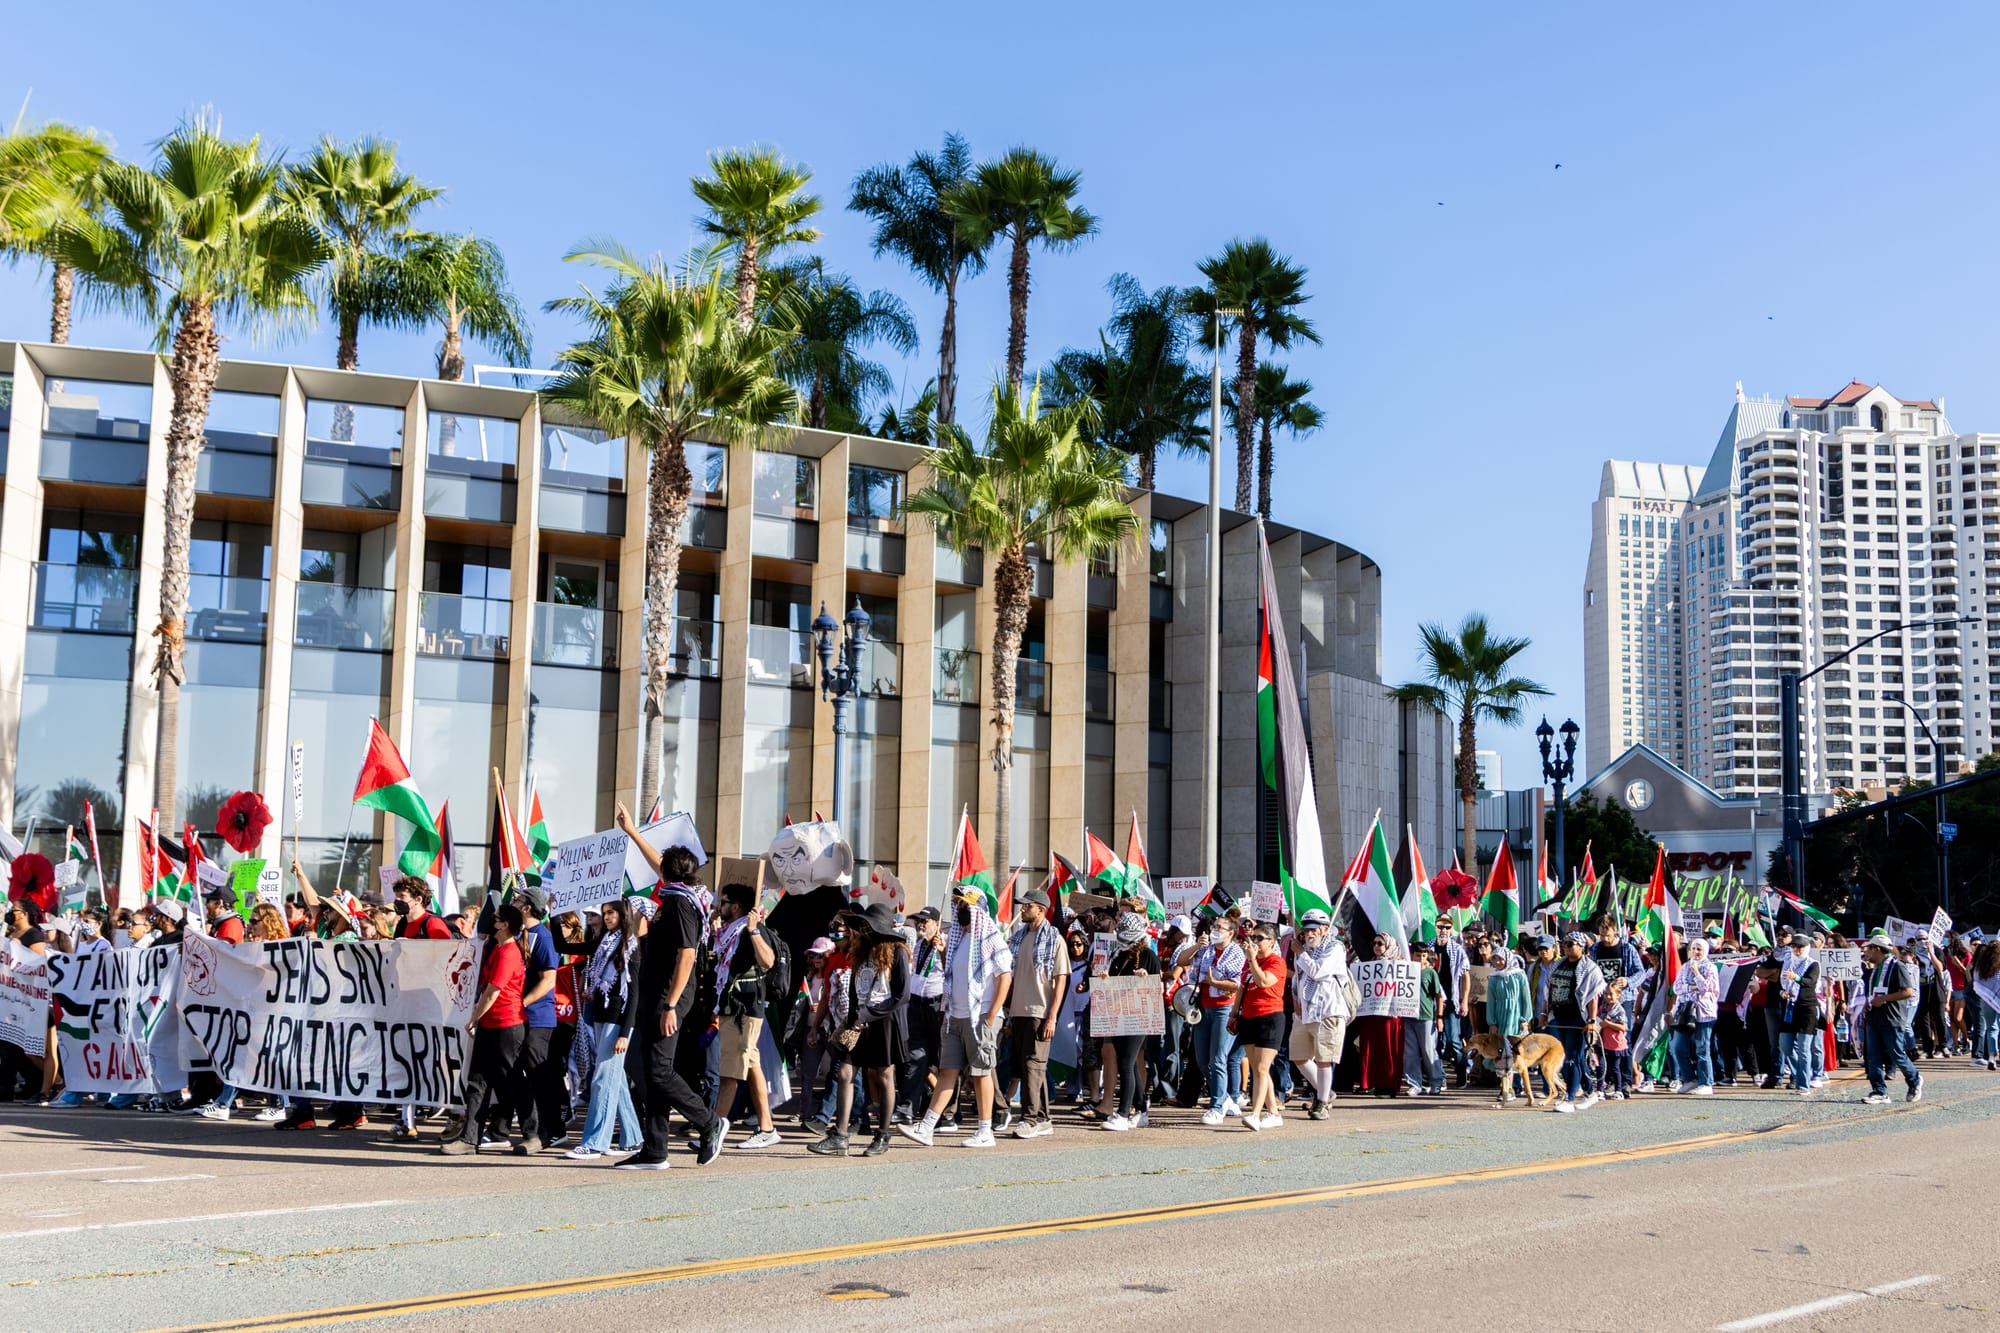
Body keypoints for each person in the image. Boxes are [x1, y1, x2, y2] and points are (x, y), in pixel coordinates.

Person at [613, 801, 724, 1170]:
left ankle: (710, 1123)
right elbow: (657, 862)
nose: (657, 868)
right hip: (656, 995)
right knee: (649, 1071)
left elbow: (687, 956)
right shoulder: (676, 893)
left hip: (668, 998)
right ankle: (655, 1149)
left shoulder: (679, 905)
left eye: (663, 866)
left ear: (671, 873)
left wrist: (671, 1005)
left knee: (660, 1070)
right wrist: (631, 831)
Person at [898, 886, 1012, 1150]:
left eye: (964, 906)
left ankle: (985, 1131)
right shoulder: (959, 940)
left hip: (979, 1016)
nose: (959, 910)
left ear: (976, 909)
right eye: (957, 905)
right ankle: (927, 1127)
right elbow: (952, 972)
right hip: (955, 1015)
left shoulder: (991, 939)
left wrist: (992, 1015)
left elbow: (1005, 977)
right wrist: (940, 951)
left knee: (981, 1073)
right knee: (948, 1070)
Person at [810, 903, 910, 1157]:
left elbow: (901, 995)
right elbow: (855, 989)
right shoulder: (860, 952)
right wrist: (851, 1017)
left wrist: (867, 1014)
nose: (863, 930)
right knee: (845, 1073)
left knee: (884, 1076)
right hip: (858, 1021)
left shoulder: (897, 952)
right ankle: (840, 1135)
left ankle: (883, 1135)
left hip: (884, 1022)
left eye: (868, 925)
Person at [442, 904, 528, 1155]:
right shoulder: (498, 948)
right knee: (477, 1081)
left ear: (504, 925)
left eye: (496, 918)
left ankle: (534, 1133)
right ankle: (470, 1139)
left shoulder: (509, 953)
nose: (491, 921)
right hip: (490, 1024)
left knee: (513, 1081)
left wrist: (474, 1018)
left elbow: (493, 992)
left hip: (506, 1024)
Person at [565, 897, 646, 1160]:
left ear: (623, 915)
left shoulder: (630, 946)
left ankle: (595, 1143)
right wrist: (555, 912)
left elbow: (634, 994)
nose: (607, 917)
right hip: (601, 1015)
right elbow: (563, 944)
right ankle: (633, 1137)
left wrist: (625, 1033)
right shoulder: (604, 942)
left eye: (611, 913)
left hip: (616, 1020)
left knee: (602, 1079)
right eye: (605, 913)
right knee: (615, 1079)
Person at [711, 881, 781, 1151]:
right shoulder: (728, 931)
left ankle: (714, 1129)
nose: (720, 906)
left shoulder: (750, 929)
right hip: (732, 1006)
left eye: (724, 902)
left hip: (745, 1008)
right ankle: (767, 1127)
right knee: (751, 1066)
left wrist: (753, 931)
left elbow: (768, 960)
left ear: (736, 906)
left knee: (731, 1070)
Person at [1084, 911, 1160, 1132]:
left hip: (1139, 1016)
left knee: (1126, 1061)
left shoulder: (1148, 956)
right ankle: (1141, 1108)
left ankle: (1123, 1113)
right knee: (1128, 1063)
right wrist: (1106, 980)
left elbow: (1157, 988)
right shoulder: (1118, 955)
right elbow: (1114, 983)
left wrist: (1146, 978)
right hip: (1118, 1015)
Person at [1003, 884, 1068, 1139]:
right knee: (1028, 1065)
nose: (1023, 909)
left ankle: (1029, 1119)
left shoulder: (1054, 939)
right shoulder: (1019, 937)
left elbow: (1061, 979)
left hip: (1039, 1010)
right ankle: (1042, 1118)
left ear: (1040, 910)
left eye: (1027, 905)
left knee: (1033, 1064)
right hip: (1019, 1011)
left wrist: (1052, 1016)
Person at [1287, 908, 1349, 1118]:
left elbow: (1318, 971)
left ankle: (1321, 1102)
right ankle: (1326, 1091)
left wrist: (1301, 953)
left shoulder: (1335, 948)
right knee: (1298, 1056)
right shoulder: (1304, 949)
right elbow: (1299, 977)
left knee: (1324, 1058)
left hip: (1328, 1011)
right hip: (1305, 1011)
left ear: (1324, 929)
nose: (1309, 934)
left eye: (1314, 930)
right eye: (1306, 930)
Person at [1188, 913, 1246, 1122]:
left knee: (1218, 1058)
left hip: (1224, 1009)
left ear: (1230, 933)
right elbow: (1182, 961)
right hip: (1203, 1008)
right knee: (1203, 1059)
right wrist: (1196, 946)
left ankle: (1217, 1106)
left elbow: (1236, 984)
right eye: (1214, 926)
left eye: (1220, 927)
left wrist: (1214, 983)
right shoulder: (1205, 951)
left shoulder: (1236, 953)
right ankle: (1225, 1097)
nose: (1215, 930)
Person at [1541, 932, 1606, 1112]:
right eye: (1564, 943)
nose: (1566, 947)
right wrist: (1544, 1012)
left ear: (1581, 946)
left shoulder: (1589, 968)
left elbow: (1593, 996)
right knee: (1568, 1058)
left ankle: (1569, 1098)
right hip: (1558, 1016)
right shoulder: (1558, 965)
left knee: (1572, 1057)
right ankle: (1590, 1092)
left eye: (1570, 944)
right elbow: (1549, 990)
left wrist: (1592, 1020)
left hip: (1578, 1017)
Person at [1234, 923, 1289, 1129]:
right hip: (1249, 1016)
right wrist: (1234, 1013)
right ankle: (1273, 1112)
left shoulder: (1276, 962)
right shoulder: (1249, 963)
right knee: (1259, 1069)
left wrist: (1252, 960)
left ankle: (1255, 1114)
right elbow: (1242, 988)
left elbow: (1263, 981)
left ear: (1271, 942)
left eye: (1259, 938)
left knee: (1261, 1067)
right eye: (1253, 937)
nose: (1254, 941)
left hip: (1270, 1017)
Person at [1860, 932, 1923, 1105]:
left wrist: (1883, 999)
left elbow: (1908, 991)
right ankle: (1879, 1091)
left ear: (1878, 949)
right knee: (1873, 1057)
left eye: (1869, 948)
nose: (1867, 952)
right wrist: (1869, 1002)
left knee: (1897, 1054)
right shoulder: (1873, 970)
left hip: (1892, 1018)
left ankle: (1914, 1080)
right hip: (1874, 1017)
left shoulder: (1897, 966)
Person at [898, 906, 945, 1123]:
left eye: (925, 921)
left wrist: (943, 951)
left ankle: (945, 1109)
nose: (921, 924)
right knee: (915, 1057)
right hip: (916, 1004)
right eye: (919, 921)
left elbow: (951, 971)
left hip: (936, 1005)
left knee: (938, 1060)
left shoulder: (944, 944)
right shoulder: (918, 945)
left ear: (936, 923)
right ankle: (907, 1108)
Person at [1346, 934, 1404, 1097]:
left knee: (1387, 1050)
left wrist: (1396, 1008)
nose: (1377, 946)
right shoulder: (1369, 966)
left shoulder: (1398, 965)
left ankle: (1387, 1085)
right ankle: (1369, 1082)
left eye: (1381, 943)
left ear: (1389, 946)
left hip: (1390, 1016)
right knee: (1369, 1049)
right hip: (1371, 1014)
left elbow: (1402, 991)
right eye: (1374, 943)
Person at [1670, 936, 1722, 1096]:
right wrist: (1692, 986)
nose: (1695, 952)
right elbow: (1677, 988)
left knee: (1702, 1047)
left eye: (1699, 949)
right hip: (1685, 1011)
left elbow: (1707, 987)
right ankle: (1689, 1079)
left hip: (1703, 1011)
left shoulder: (1710, 967)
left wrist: (1697, 973)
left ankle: (1706, 1082)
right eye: (1693, 949)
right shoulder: (1685, 966)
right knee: (1678, 1046)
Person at [1484, 945, 1533, 1100]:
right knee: (1501, 1053)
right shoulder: (1493, 978)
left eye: (1500, 959)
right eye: (1495, 959)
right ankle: (1504, 1087)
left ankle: (1512, 1087)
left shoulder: (1519, 975)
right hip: (1500, 1018)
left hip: (1516, 1017)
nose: (1498, 962)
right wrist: (1492, 1022)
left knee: (1514, 1053)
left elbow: (1525, 998)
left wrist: (1525, 1019)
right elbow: (1491, 1001)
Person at [1777, 932, 1822, 1095]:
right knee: (1785, 1044)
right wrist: (1782, 992)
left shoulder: (1813, 964)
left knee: (1804, 1047)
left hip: (1806, 1008)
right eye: (1794, 946)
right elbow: (1782, 984)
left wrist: (1796, 977)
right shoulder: (1788, 962)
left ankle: (1803, 1084)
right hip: (1790, 1008)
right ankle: (1803, 1072)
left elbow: (1810, 982)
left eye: (1800, 947)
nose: (1796, 950)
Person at [1403, 941, 1446, 1096]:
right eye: (1418, 955)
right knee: (1410, 1052)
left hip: (1426, 1017)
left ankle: (1436, 1081)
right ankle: (1414, 1083)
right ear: (1412, 955)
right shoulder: (1405, 970)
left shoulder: (1430, 972)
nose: (1421, 959)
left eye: (1423, 956)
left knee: (1429, 1051)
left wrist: (1439, 1017)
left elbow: (1439, 996)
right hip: (1408, 1016)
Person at [1434, 917, 1470, 1087]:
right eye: (1440, 926)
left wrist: (1464, 1002)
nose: (1443, 930)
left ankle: (1462, 1073)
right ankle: (1439, 1077)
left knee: (1454, 1040)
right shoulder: (1428, 947)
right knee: (1436, 1042)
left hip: (1451, 1002)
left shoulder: (1457, 950)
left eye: (1447, 927)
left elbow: (1465, 976)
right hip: (1432, 1001)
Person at [1599, 976, 1631, 1098]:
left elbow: (1624, 1027)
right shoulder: (1603, 1008)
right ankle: (1600, 1090)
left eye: (1611, 994)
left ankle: (1619, 1090)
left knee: (1615, 1067)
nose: (1608, 997)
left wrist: (1609, 1024)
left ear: (1618, 995)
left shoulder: (1620, 1010)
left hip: (1616, 1044)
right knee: (1602, 1067)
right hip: (1604, 1043)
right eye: (1606, 994)